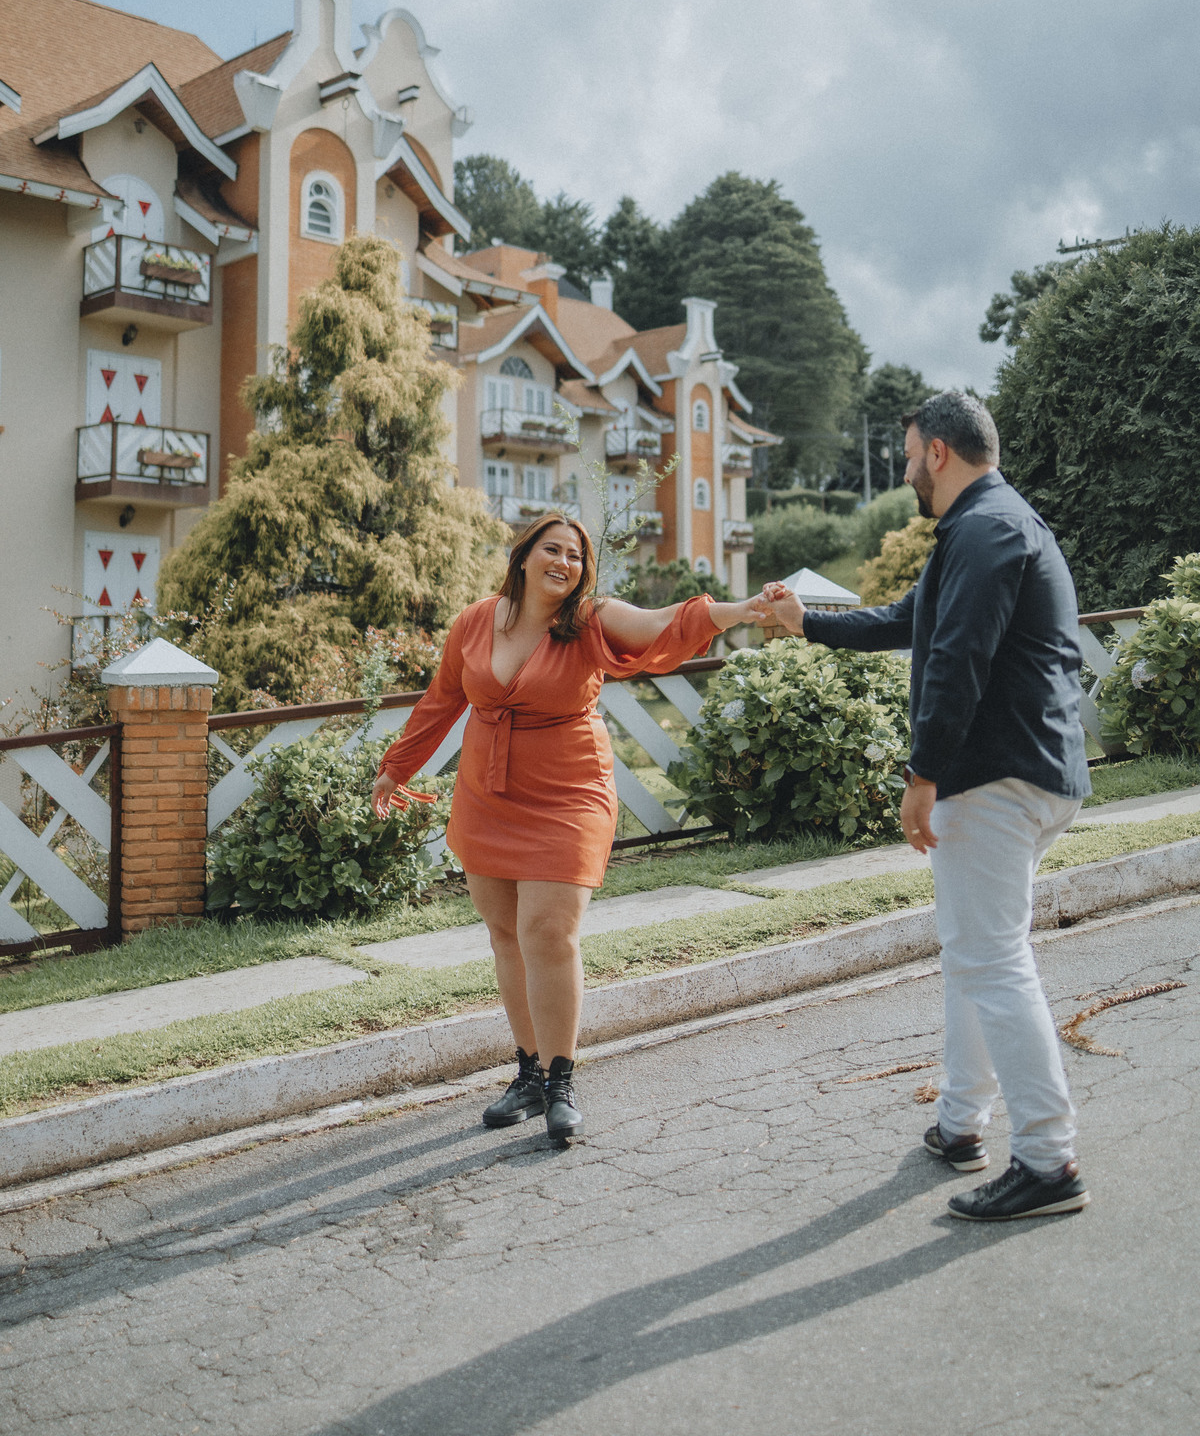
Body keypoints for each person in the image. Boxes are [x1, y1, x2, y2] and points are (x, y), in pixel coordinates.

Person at [757, 391, 1092, 1220]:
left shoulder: (985, 529)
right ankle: (961, 1122)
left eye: (909, 455)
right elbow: (911, 620)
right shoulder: (990, 525)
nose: (906, 470)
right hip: (1030, 771)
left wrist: (923, 774)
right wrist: (808, 624)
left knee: (992, 961)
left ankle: (1048, 1159)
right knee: (975, 953)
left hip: (995, 776)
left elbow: (957, 657)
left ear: (938, 452)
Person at [372, 513, 766, 1141]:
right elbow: (442, 699)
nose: (564, 562)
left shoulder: (588, 619)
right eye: (552, 549)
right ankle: (528, 1075)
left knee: (549, 932)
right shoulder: (475, 621)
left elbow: (662, 624)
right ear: (524, 556)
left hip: (568, 792)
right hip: (487, 794)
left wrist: (739, 610)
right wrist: (396, 768)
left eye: (576, 555)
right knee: (506, 933)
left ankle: (561, 1081)